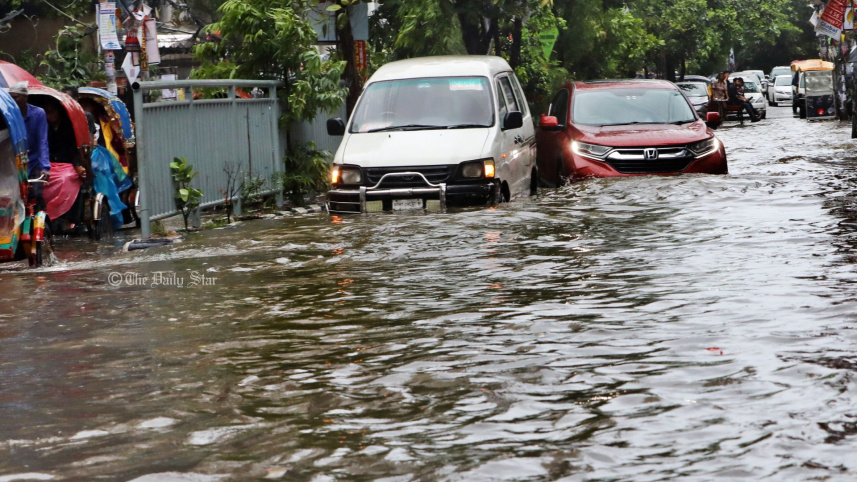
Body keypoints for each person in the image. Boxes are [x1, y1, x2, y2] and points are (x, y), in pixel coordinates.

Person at [42, 100, 86, 229]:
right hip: (49, 163)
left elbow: (75, 149)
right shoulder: (44, 126)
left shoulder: (70, 127)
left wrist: (77, 165)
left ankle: (68, 216)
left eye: (52, 112)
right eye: (47, 112)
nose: (50, 116)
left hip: (68, 163)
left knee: (65, 179)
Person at [7, 81, 50, 211]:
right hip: (14, 162)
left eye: (16, 97)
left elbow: (43, 140)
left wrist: (45, 167)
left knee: (35, 194)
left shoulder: (38, 113)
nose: (13, 100)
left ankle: (40, 224)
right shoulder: (8, 115)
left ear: (25, 97)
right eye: (11, 97)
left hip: (33, 162)